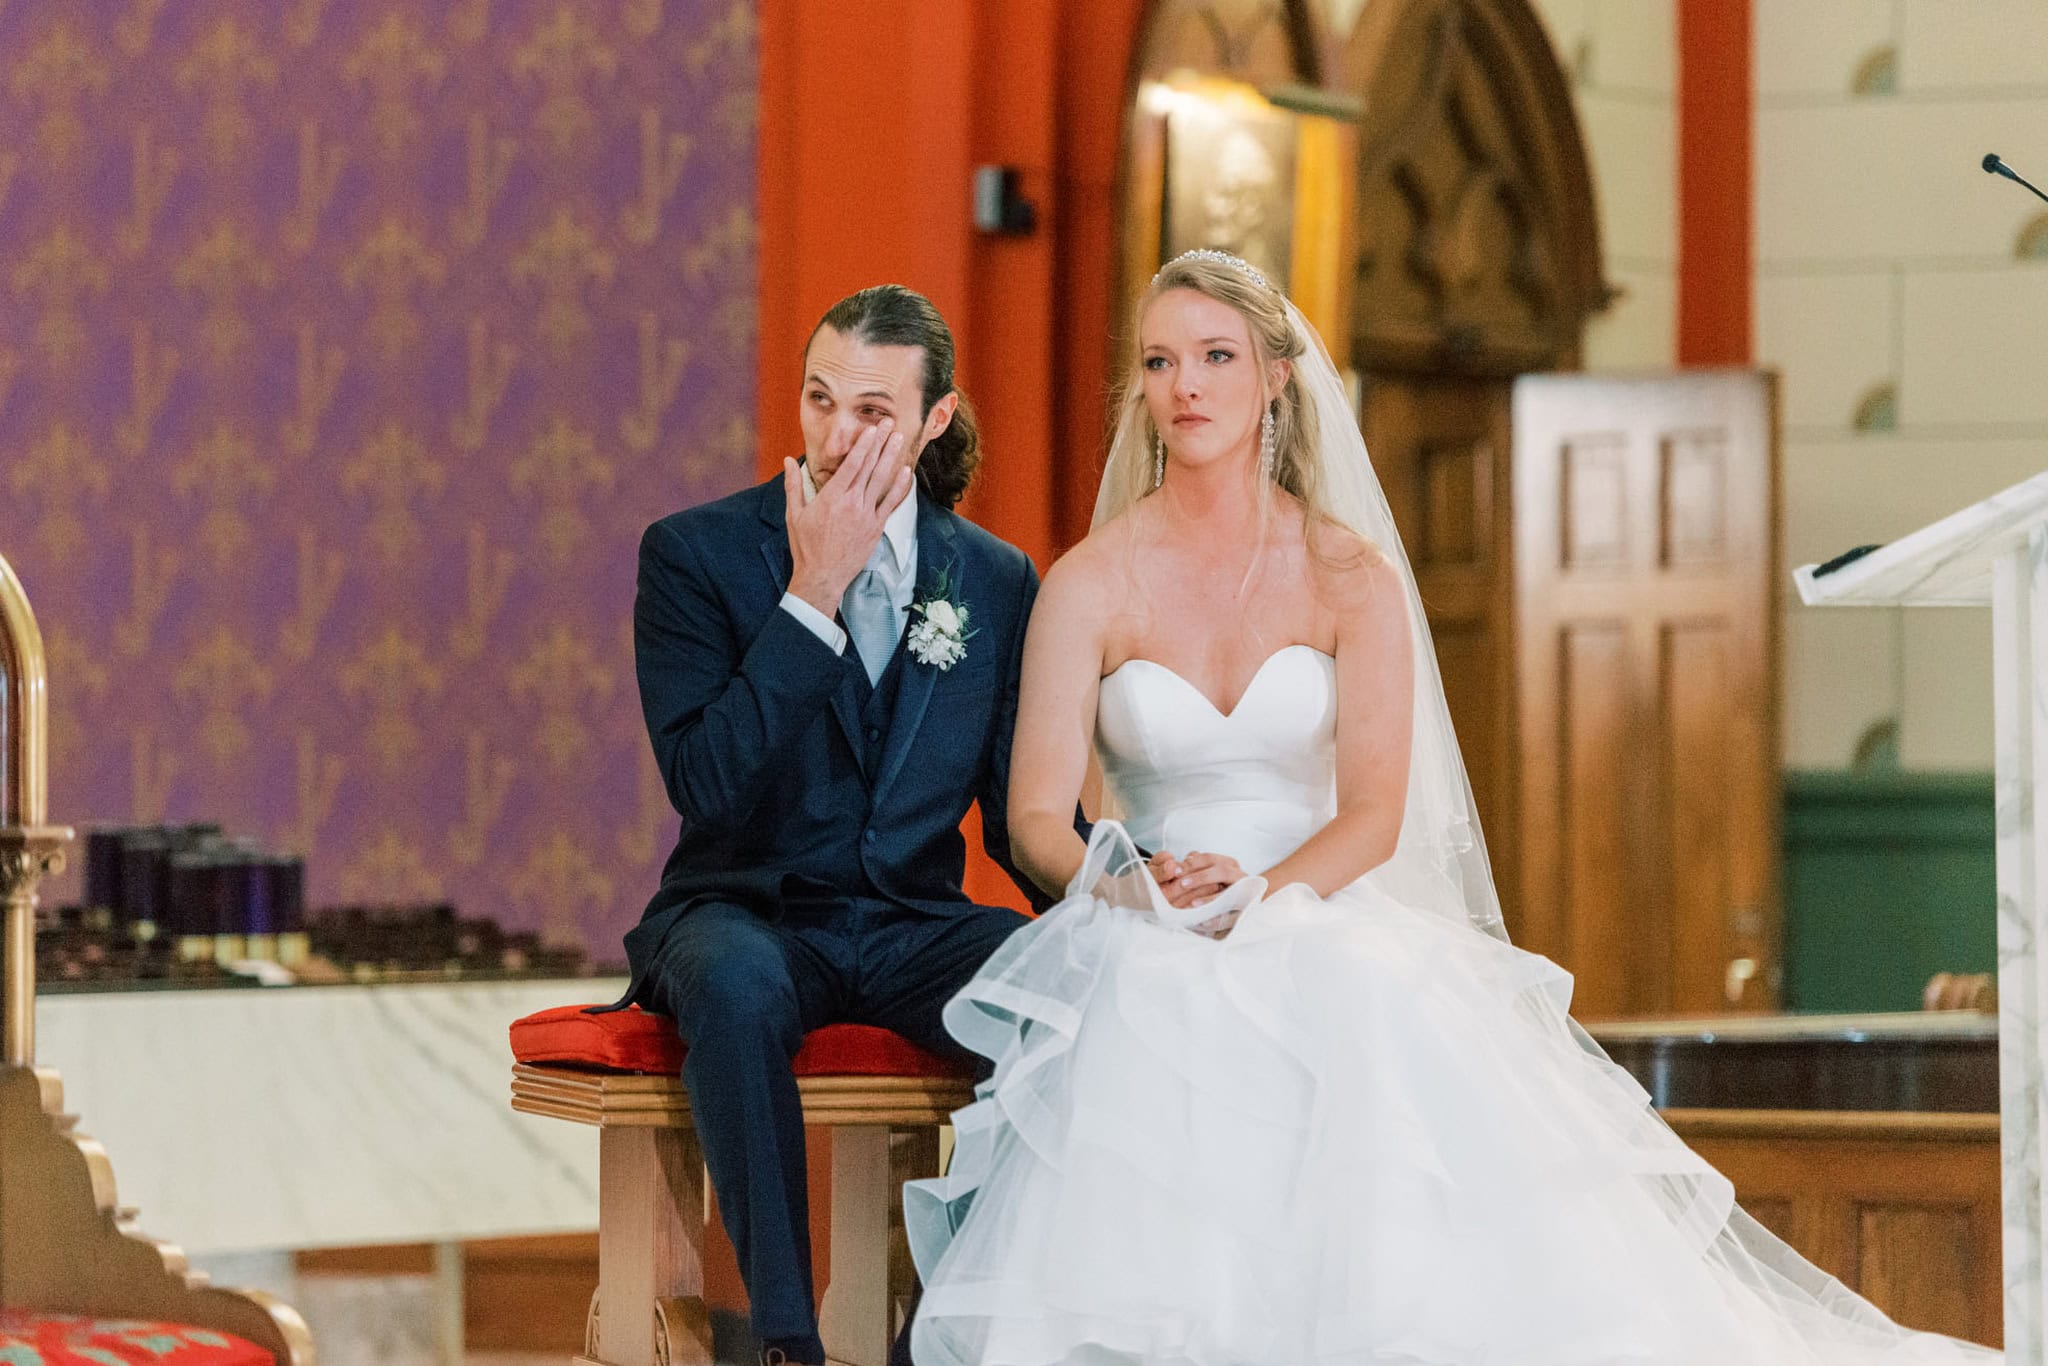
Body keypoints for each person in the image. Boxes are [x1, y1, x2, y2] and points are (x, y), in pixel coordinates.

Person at [901, 249, 2000, 1364]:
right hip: (1143, 932)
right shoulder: (1090, 579)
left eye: (1215, 357)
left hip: (1311, 914)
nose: (1185, 386)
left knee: (1388, 1168)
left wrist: (1256, 896)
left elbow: (1373, 814)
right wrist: (1126, 887)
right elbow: (1038, 814)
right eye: (1160, 361)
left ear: (1274, 377)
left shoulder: (1348, 576)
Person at [622, 284, 1050, 1366]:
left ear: (932, 420)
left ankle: (940, 1324)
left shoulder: (993, 582)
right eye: (819, 401)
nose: (833, 436)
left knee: (1066, 987)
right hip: (742, 910)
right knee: (734, 980)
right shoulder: (693, 555)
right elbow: (705, 781)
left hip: (910, 921)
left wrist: (1114, 905)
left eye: (870, 411)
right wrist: (812, 593)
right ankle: (782, 1337)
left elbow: (1014, 817)